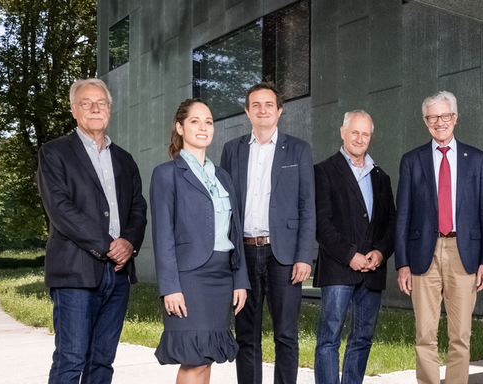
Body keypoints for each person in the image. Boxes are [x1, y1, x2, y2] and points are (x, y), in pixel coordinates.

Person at [37, 78, 148, 384]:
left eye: (101, 103)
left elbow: (138, 207)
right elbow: (60, 209)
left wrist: (129, 243)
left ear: (109, 110)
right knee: (71, 359)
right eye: (86, 103)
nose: (95, 108)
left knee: (103, 361)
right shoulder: (55, 152)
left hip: (119, 273)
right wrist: (109, 244)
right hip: (76, 271)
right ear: (74, 110)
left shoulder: (124, 159)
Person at [395, 90, 483, 384]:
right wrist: (402, 263)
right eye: (432, 117)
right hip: (421, 256)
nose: (439, 122)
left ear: (455, 118)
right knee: (424, 334)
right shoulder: (411, 160)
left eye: (445, 116)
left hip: (464, 253)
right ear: (425, 121)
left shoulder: (476, 159)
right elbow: (402, 215)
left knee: (461, 335)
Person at [220, 82, 316, 384]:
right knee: (246, 335)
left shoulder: (298, 149)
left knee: (286, 334)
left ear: (280, 110)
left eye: (269, 105)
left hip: (284, 255)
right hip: (244, 255)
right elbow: (225, 207)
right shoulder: (231, 150)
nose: (263, 110)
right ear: (247, 112)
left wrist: (304, 257)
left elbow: (307, 206)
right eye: (256, 105)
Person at [150, 99, 250, 383]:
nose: (203, 127)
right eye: (195, 121)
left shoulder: (223, 177)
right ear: (180, 127)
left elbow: (235, 232)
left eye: (208, 121)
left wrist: (240, 278)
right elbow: (163, 236)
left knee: (206, 358)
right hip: (189, 278)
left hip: (222, 277)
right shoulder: (166, 174)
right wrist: (170, 287)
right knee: (193, 359)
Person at [313, 110, 397, 384]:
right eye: (355, 132)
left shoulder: (381, 176)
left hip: (372, 271)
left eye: (365, 134)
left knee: (362, 337)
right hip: (339, 269)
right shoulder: (324, 171)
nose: (360, 138)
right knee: (330, 338)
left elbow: (391, 224)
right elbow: (321, 224)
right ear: (343, 132)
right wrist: (350, 255)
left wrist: (381, 252)